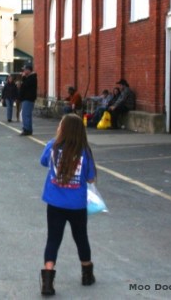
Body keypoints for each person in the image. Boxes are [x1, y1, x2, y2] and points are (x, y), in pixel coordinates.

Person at [39, 113, 97, 296]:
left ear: (63, 130)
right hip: (77, 205)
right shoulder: (85, 151)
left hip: (55, 203)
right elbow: (91, 177)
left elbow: (42, 162)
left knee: (53, 239)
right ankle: (87, 273)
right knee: (81, 237)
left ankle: (48, 280)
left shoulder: (52, 146)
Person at [18, 63, 37, 136]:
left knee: (25, 114)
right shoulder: (30, 77)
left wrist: (23, 78)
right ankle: (28, 129)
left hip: (28, 98)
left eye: (25, 70)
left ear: (29, 70)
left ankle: (26, 129)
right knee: (27, 114)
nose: (24, 71)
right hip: (27, 98)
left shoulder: (31, 78)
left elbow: (25, 86)